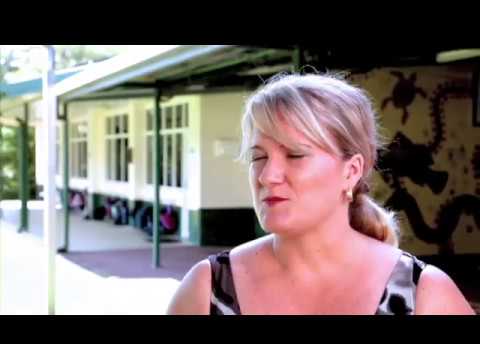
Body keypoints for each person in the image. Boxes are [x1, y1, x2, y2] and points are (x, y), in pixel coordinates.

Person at [167, 72, 475, 315]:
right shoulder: (207, 289)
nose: (267, 175)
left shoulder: (424, 295)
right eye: (258, 156)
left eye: (295, 155)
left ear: (351, 171)